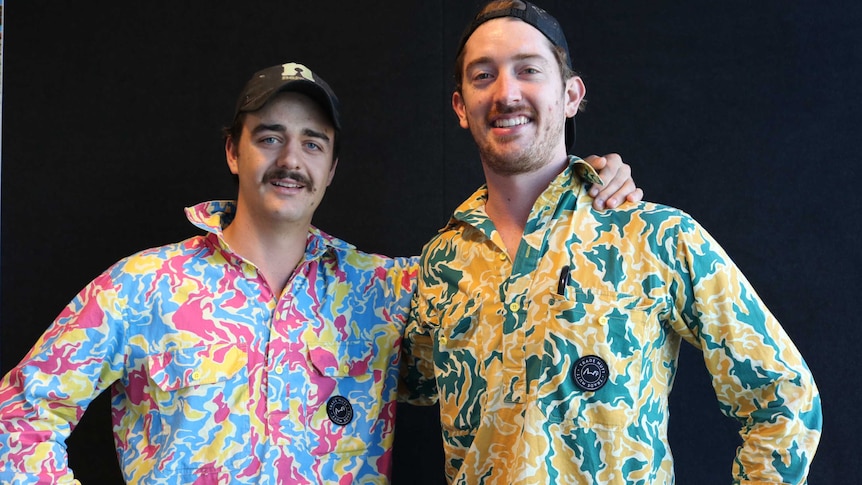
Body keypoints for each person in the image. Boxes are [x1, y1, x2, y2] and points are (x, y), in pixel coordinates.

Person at [0, 61, 640, 484]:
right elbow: (20, 414)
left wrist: (579, 186)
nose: (290, 159)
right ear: (233, 150)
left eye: (313, 143)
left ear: (332, 167)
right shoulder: (143, 286)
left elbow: (507, 280)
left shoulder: (387, 292)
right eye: (269, 136)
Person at [401, 2, 823, 484]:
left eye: (528, 70)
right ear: (460, 106)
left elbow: (783, 394)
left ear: (571, 94)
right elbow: (395, 381)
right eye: (483, 75)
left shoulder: (655, 236)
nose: (507, 92)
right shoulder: (441, 262)